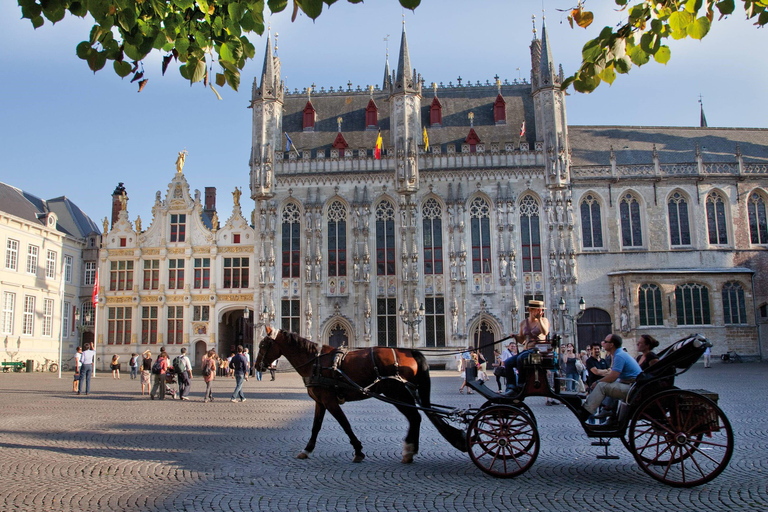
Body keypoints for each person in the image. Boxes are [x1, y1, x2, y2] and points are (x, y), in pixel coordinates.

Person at [582, 333, 643, 423]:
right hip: (631, 385)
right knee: (606, 385)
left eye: (605, 342)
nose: (603, 343)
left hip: (632, 388)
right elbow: (610, 373)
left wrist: (597, 382)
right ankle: (609, 410)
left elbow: (613, 376)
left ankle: (586, 412)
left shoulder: (619, 356)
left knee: (601, 386)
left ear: (611, 345)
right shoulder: (618, 354)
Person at [504, 300, 549, 392]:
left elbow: (545, 332)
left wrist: (539, 319)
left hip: (538, 351)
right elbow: (522, 340)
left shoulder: (544, 320)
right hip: (527, 350)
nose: (540, 312)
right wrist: (515, 336)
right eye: (538, 310)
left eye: (541, 310)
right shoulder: (523, 323)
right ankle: (511, 385)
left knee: (520, 358)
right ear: (531, 310)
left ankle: (521, 384)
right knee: (508, 362)